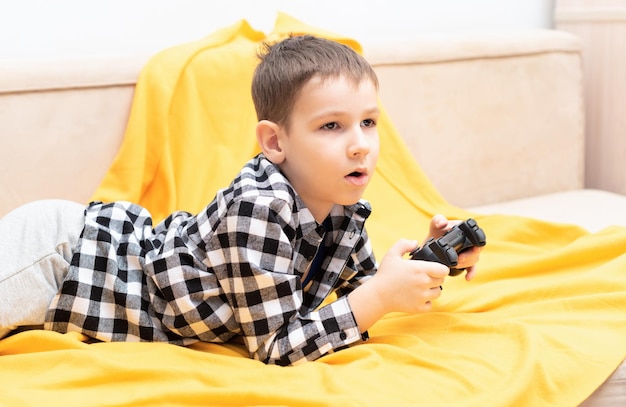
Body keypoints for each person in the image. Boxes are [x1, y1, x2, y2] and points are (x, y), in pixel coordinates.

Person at [0, 35, 481, 365]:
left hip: (86, 260)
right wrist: (378, 297)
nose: (360, 144)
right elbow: (277, 345)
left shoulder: (343, 206)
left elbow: (362, 289)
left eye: (368, 123)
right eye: (331, 126)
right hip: (68, 256)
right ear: (275, 143)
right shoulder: (259, 206)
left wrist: (430, 260)